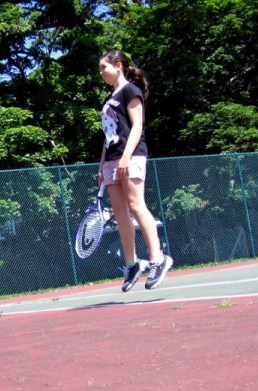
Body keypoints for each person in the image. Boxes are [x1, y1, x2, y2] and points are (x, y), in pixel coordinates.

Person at [97, 50, 173, 292]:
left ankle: (158, 259)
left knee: (136, 205)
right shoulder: (108, 99)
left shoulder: (131, 91)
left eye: (103, 67)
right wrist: (102, 165)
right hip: (111, 160)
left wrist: (126, 156)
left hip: (131, 156)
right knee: (120, 213)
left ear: (118, 65)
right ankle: (131, 264)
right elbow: (108, 136)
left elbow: (138, 125)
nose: (101, 73)